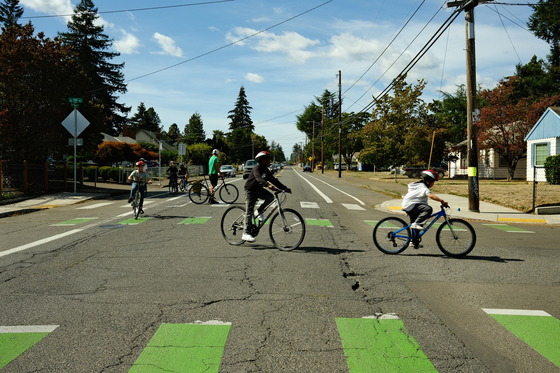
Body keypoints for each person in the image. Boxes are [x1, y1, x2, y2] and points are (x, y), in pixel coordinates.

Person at [242, 150, 291, 242]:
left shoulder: (266, 170)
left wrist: (285, 188)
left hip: (259, 189)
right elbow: (258, 178)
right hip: (250, 190)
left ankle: (259, 212)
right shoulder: (256, 168)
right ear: (263, 160)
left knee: (270, 197)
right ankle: (245, 233)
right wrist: (267, 185)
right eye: (268, 159)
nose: (270, 161)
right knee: (249, 211)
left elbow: (273, 180)